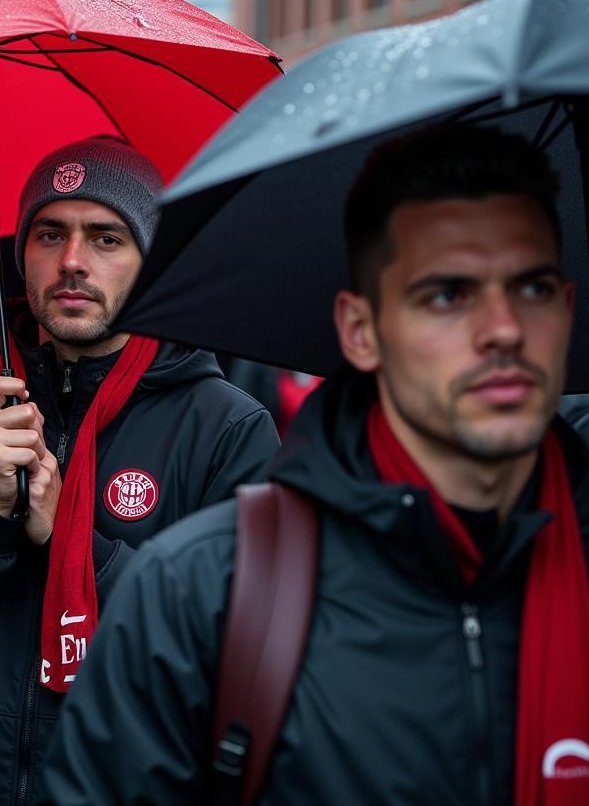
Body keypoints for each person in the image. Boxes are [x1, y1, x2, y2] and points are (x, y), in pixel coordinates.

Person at [41, 123, 589, 805]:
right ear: (360, 331)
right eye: (447, 295)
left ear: (567, 311)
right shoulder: (201, 595)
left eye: (532, 289)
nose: (504, 329)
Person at [0, 135, 280, 806]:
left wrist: (74, 541)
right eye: (49, 234)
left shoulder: (227, 428)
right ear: (20, 256)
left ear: (150, 261)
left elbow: (242, 663)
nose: (73, 262)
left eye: (106, 238)